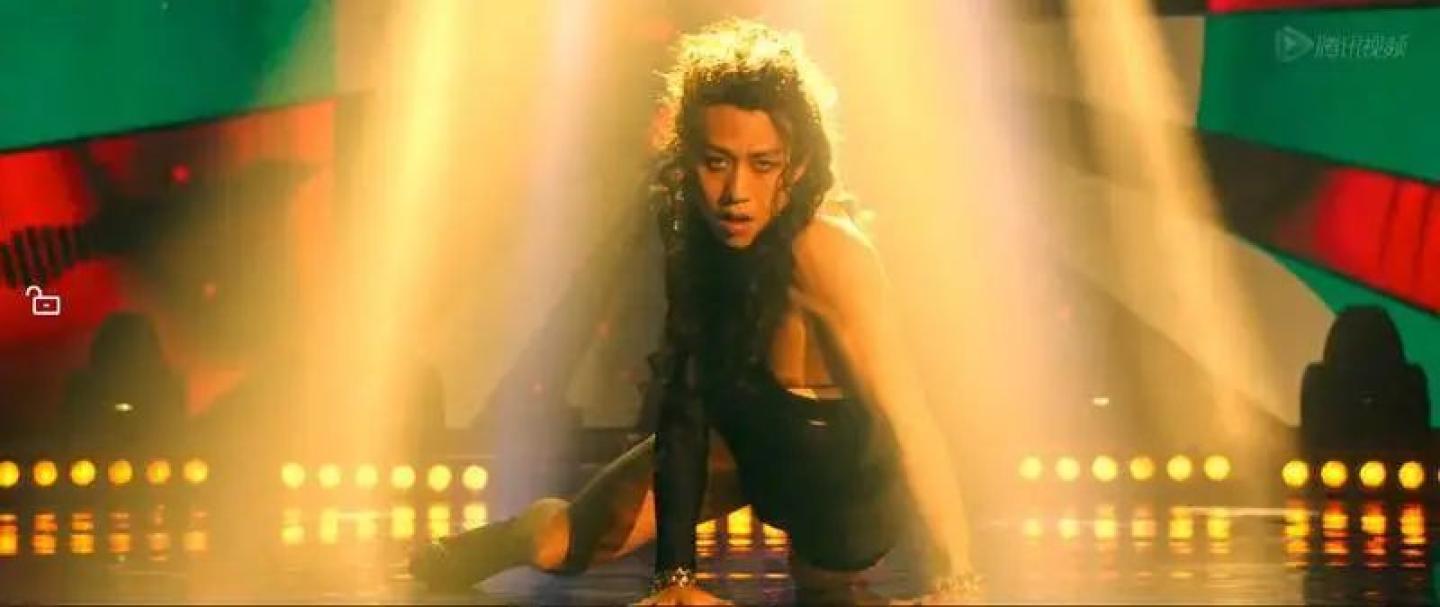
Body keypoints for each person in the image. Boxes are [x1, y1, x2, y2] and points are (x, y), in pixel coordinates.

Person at [410, 18, 980, 605]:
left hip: (837, 475)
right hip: (739, 438)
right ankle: (484, 546)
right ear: (687, 157)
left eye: (763, 164)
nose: (736, 193)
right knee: (558, 543)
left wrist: (957, 576)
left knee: (830, 579)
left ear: (797, 165)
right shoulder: (690, 230)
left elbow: (910, 420)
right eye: (716, 162)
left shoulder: (829, 252)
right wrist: (676, 578)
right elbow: (685, 407)